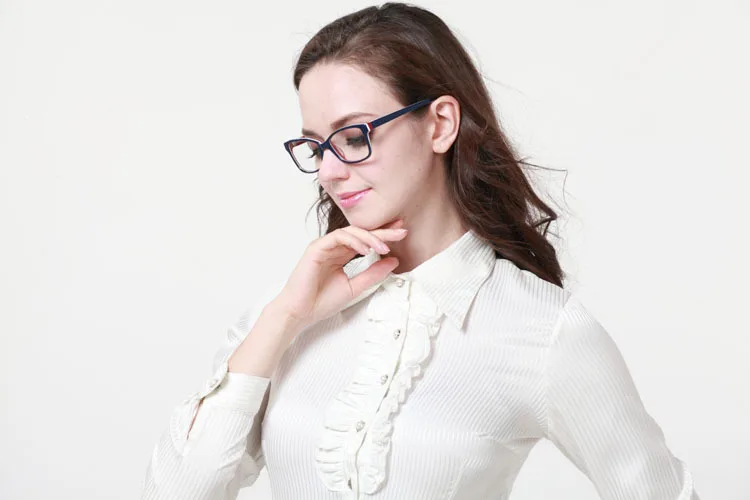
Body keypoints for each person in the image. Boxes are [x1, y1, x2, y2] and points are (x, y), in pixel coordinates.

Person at [141, 3, 700, 499]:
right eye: (315, 146)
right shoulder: (289, 311)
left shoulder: (543, 329)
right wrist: (284, 319)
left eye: (354, 136)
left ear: (440, 124)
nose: (329, 171)